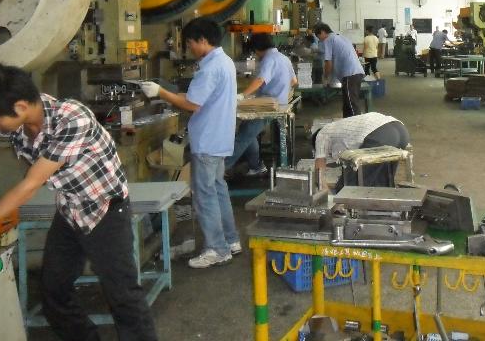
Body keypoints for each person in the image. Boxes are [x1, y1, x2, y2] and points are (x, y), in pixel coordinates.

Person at [0, 65, 158, 341]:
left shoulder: (72, 118)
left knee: (123, 296)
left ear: (20, 107)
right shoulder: (17, 123)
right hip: (70, 211)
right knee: (53, 293)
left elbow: (30, 185)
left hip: (105, 210)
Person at [139, 17, 239, 269]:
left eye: (190, 43)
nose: (190, 49)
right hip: (219, 138)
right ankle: (230, 240)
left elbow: (192, 104)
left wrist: (161, 93)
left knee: (205, 195)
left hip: (207, 140)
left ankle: (217, 249)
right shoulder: (224, 62)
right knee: (218, 190)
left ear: (202, 40)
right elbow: (198, 97)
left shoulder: (209, 68)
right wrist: (171, 94)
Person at [226, 33, 297, 176]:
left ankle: (220, 168)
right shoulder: (283, 58)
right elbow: (294, 81)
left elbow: (260, 80)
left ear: (257, 48)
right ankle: (256, 165)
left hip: (267, 105)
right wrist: (281, 90)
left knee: (243, 137)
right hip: (279, 103)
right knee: (246, 131)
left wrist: (242, 95)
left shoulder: (269, 59)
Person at [313, 112, 409, 189]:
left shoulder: (321, 134)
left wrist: (325, 194)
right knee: (382, 182)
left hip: (381, 134)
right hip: (401, 131)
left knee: (347, 187)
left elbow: (319, 174)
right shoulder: (340, 131)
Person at [312, 22, 365, 117]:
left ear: (323, 32)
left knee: (351, 104)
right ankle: (347, 124)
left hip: (350, 74)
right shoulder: (340, 37)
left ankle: (357, 125)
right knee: (347, 105)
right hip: (356, 73)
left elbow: (328, 63)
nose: (319, 39)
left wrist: (325, 78)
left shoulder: (328, 40)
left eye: (318, 35)